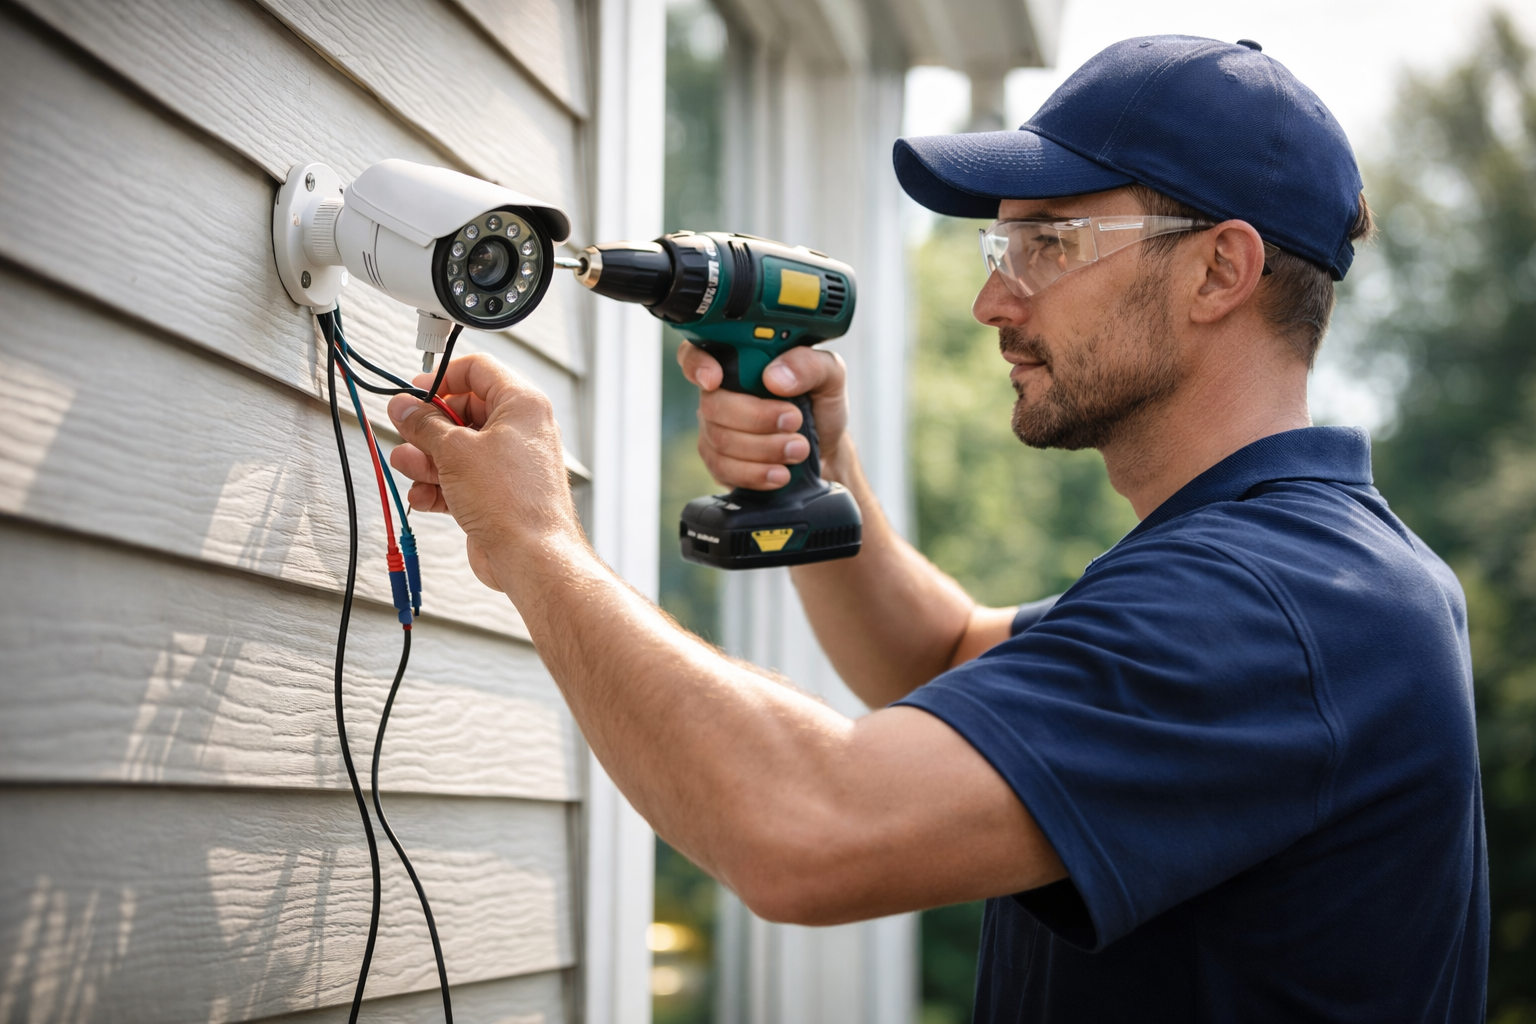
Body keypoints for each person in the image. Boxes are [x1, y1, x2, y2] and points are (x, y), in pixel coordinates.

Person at [387, 35, 1487, 1023]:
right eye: (998, 251)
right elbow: (944, 655)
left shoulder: (1272, 607)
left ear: (1219, 269)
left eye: (1049, 245)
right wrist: (827, 472)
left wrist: (534, 542)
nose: (993, 303)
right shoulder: (1300, 570)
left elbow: (805, 828)